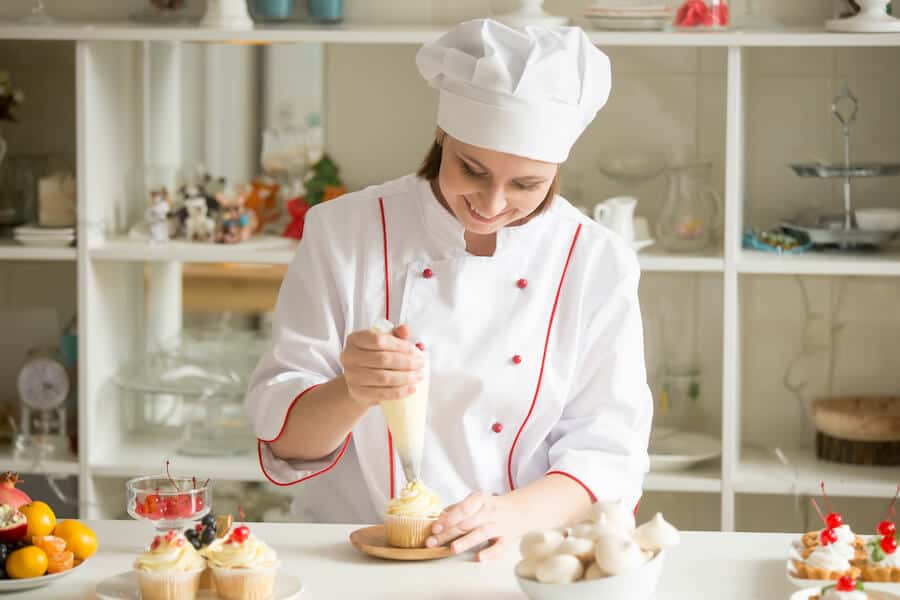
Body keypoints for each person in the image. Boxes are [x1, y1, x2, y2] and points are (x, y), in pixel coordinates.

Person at [246, 18, 652, 561]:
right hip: (349, 555)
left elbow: (609, 452)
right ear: (442, 136)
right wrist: (354, 389)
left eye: (527, 185)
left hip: (513, 554)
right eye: (472, 170)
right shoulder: (344, 232)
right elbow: (287, 444)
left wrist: (514, 514)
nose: (491, 203)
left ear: (557, 169)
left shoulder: (595, 260)